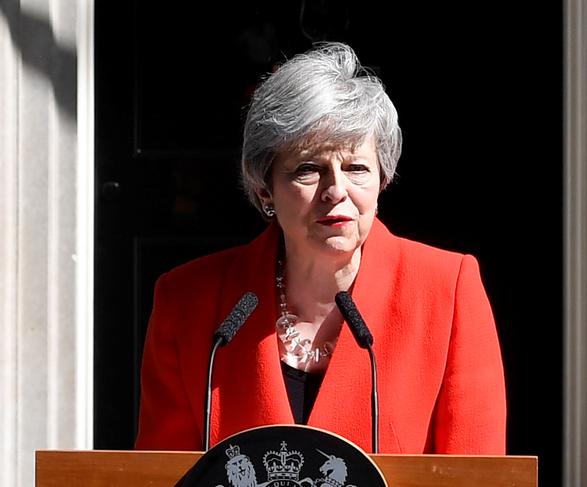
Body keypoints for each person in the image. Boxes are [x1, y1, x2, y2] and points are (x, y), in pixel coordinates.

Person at [135, 42, 506, 454]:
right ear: (265, 189)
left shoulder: (446, 291)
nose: (336, 191)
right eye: (308, 169)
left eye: (356, 168)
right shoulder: (187, 301)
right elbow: (159, 475)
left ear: (383, 180)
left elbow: (477, 473)